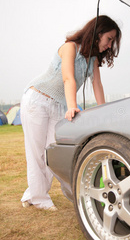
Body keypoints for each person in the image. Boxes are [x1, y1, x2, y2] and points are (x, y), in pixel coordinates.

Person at [20, 15, 121, 211]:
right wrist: (72, 106)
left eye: (113, 41)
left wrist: (104, 111)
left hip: (58, 104)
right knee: (37, 153)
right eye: (109, 39)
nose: (110, 45)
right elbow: (68, 78)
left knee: (52, 153)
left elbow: (97, 84)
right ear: (98, 34)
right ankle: (39, 198)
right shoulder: (70, 47)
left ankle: (32, 194)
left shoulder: (92, 59)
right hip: (38, 99)